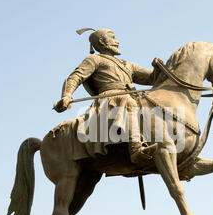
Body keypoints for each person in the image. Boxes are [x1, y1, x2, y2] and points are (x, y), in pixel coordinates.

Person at [53, 28, 158, 165]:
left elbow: (151, 78)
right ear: (102, 41)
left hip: (129, 96)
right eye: (113, 38)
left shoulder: (127, 65)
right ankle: (135, 149)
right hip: (111, 99)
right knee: (129, 103)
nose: (117, 41)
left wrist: (160, 68)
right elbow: (76, 77)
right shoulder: (94, 59)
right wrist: (67, 95)